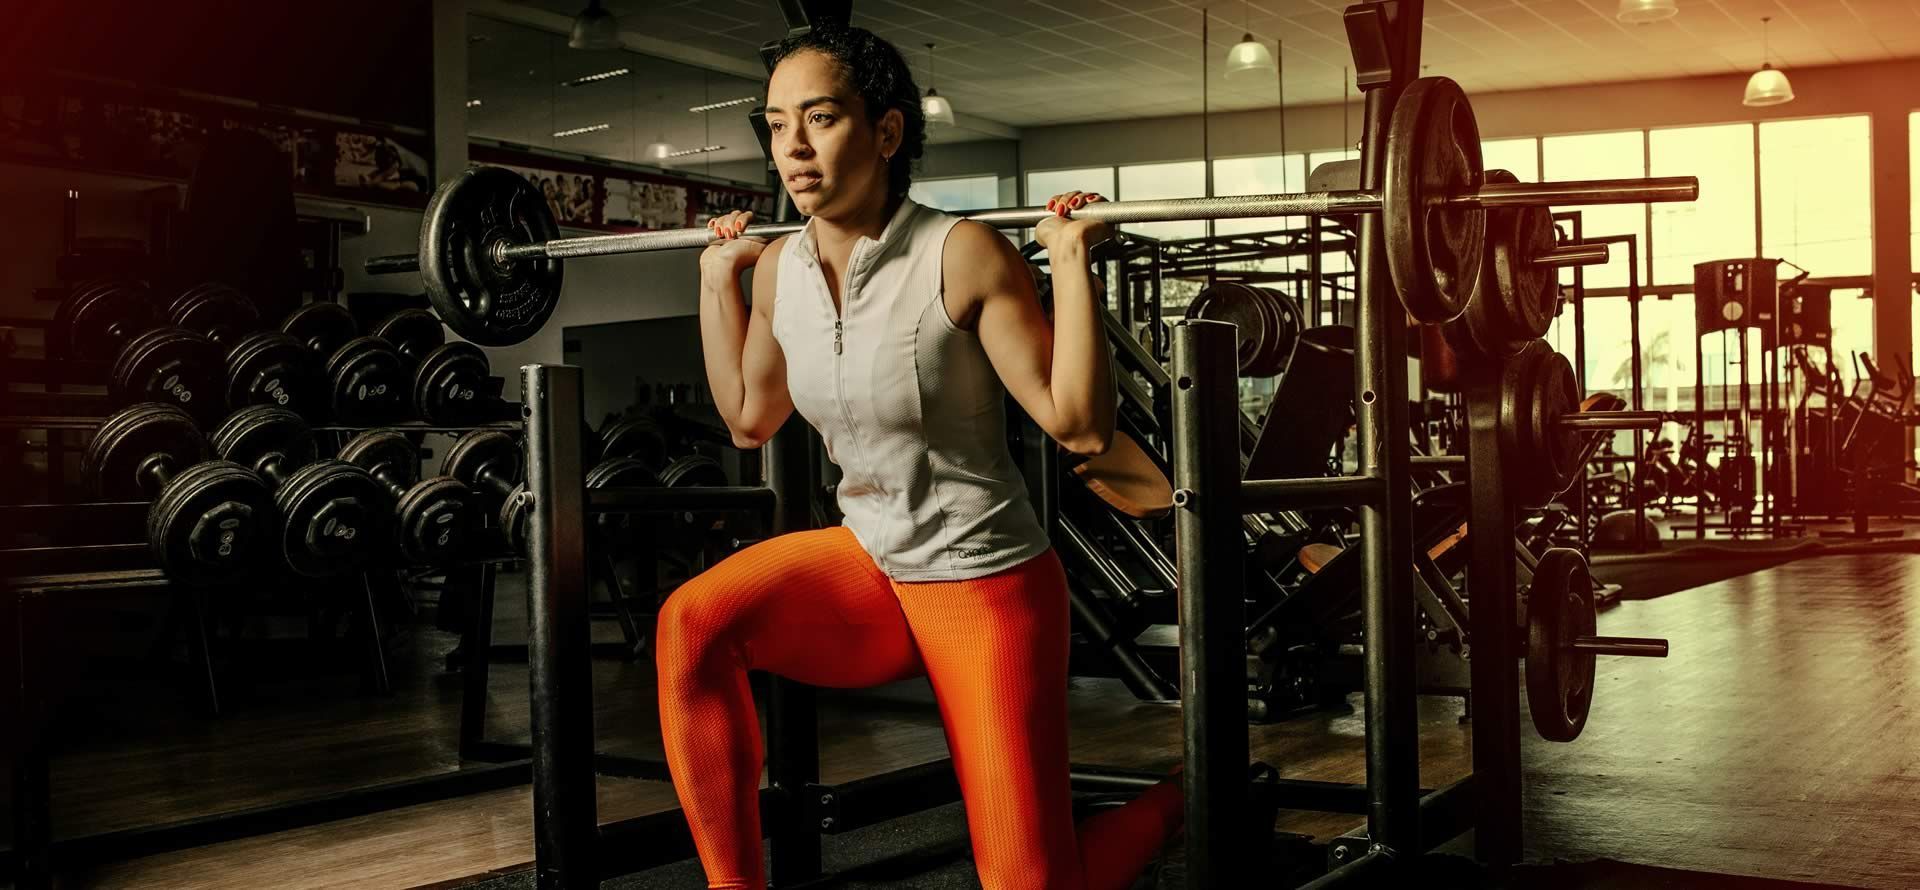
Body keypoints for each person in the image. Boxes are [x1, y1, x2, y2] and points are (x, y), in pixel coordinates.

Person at [659, 21, 1184, 890]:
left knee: (1030, 882)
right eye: (775, 121)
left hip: (985, 582)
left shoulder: (964, 253)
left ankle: (1176, 805)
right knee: (693, 623)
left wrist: (1073, 263)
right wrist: (717, 285)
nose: (792, 146)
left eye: (820, 117)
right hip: (869, 568)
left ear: (887, 131)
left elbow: (1080, 427)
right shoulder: (780, 268)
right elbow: (751, 416)